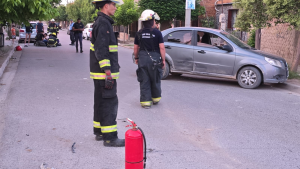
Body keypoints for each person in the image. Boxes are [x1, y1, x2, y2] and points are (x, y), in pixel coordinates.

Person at [90, 0, 124, 147]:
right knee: (109, 104)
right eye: (114, 5)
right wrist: (108, 73)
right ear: (106, 5)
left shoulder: (100, 22)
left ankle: (99, 132)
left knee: (99, 102)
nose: (115, 8)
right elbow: (101, 50)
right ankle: (110, 137)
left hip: (99, 74)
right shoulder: (104, 24)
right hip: (105, 75)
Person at [133, 9, 166, 109]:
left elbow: (135, 48)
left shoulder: (138, 33)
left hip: (143, 58)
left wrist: (136, 57)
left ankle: (146, 102)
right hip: (155, 59)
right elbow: (162, 47)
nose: (155, 22)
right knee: (155, 78)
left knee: (144, 79)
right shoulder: (158, 33)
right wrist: (163, 60)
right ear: (152, 21)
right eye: (155, 21)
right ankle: (155, 98)